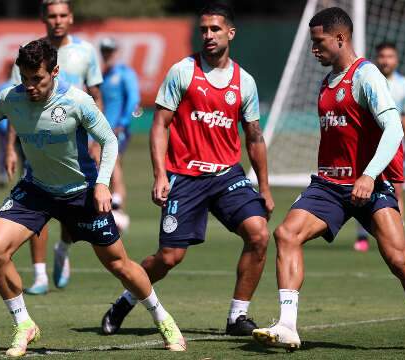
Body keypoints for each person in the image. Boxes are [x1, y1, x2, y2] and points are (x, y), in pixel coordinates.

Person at [0, 39, 185, 357]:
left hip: (80, 193)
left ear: (55, 72)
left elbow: (109, 141)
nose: (31, 86)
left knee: (119, 265)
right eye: (25, 78)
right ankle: (24, 324)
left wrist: (102, 184)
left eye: (38, 79)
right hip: (36, 190)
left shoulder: (78, 101)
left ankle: (164, 320)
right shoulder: (11, 97)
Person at [252, 7, 405, 352]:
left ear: (340, 38)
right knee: (286, 234)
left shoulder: (367, 76)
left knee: (399, 262)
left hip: (370, 186)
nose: (313, 49)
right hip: (329, 186)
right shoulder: (325, 81)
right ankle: (287, 325)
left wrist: (368, 174)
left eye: (319, 43)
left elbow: (393, 129)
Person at [100, 3, 274, 337]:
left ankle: (237, 317)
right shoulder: (183, 71)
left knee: (259, 235)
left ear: (230, 33)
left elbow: (254, 137)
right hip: (185, 177)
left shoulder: (244, 82)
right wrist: (160, 175)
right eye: (204, 29)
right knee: (169, 258)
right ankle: (125, 301)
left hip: (227, 176)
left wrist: (263, 187)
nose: (208, 35)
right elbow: (159, 125)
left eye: (215, 29)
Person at [6, 0, 104, 295]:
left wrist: (98, 140)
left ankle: (63, 247)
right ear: (43, 18)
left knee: (70, 204)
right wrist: (11, 147)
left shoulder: (86, 52)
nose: (57, 21)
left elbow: (96, 95)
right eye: (52, 16)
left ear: (70, 18)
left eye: (62, 15)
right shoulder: (29, 53)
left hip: (75, 142)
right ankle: (39, 275)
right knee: (38, 199)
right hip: (37, 138)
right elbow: (16, 103)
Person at [354, 41, 405, 252]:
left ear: (396, 59)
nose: (385, 60)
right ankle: (362, 236)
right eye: (382, 56)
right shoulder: (368, 79)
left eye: (390, 56)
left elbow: (404, 117)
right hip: (370, 145)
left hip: (395, 146)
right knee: (362, 189)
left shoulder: (404, 84)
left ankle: (400, 235)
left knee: (397, 191)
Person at [96, 36, 141, 231]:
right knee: (110, 165)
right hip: (103, 130)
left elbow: (133, 99)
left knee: (111, 163)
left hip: (117, 129)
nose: (107, 55)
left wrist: (123, 123)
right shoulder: (103, 75)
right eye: (104, 51)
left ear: (117, 52)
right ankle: (115, 206)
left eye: (110, 51)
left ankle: (118, 206)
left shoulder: (125, 73)